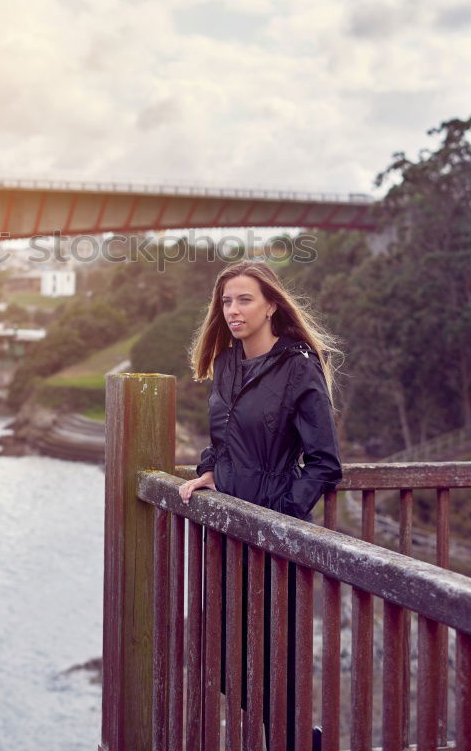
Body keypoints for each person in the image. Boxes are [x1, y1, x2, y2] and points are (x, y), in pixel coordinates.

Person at [177, 259, 343, 748]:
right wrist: (209, 470)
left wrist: (281, 517)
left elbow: (325, 463)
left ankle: (300, 742)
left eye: (244, 299)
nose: (233, 309)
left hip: (273, 532)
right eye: (226, 301)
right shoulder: (227, 363)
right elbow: (223, 436)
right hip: (227, 527)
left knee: (274, 659)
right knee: (232, 664)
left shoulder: (299, 368)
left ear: (271, 304)